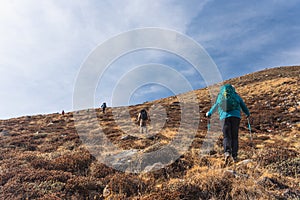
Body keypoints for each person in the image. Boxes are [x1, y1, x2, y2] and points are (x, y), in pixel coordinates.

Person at [206, 84, 250, 163]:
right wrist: (247, 113)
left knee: (226, 136)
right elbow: (243, 106)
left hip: (224, 117)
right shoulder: (236, 96)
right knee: (234, 136)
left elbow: (215, 106)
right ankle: (235, 156)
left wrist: (209, 113)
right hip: (236, 117)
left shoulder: (221, 96)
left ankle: (227, 152)